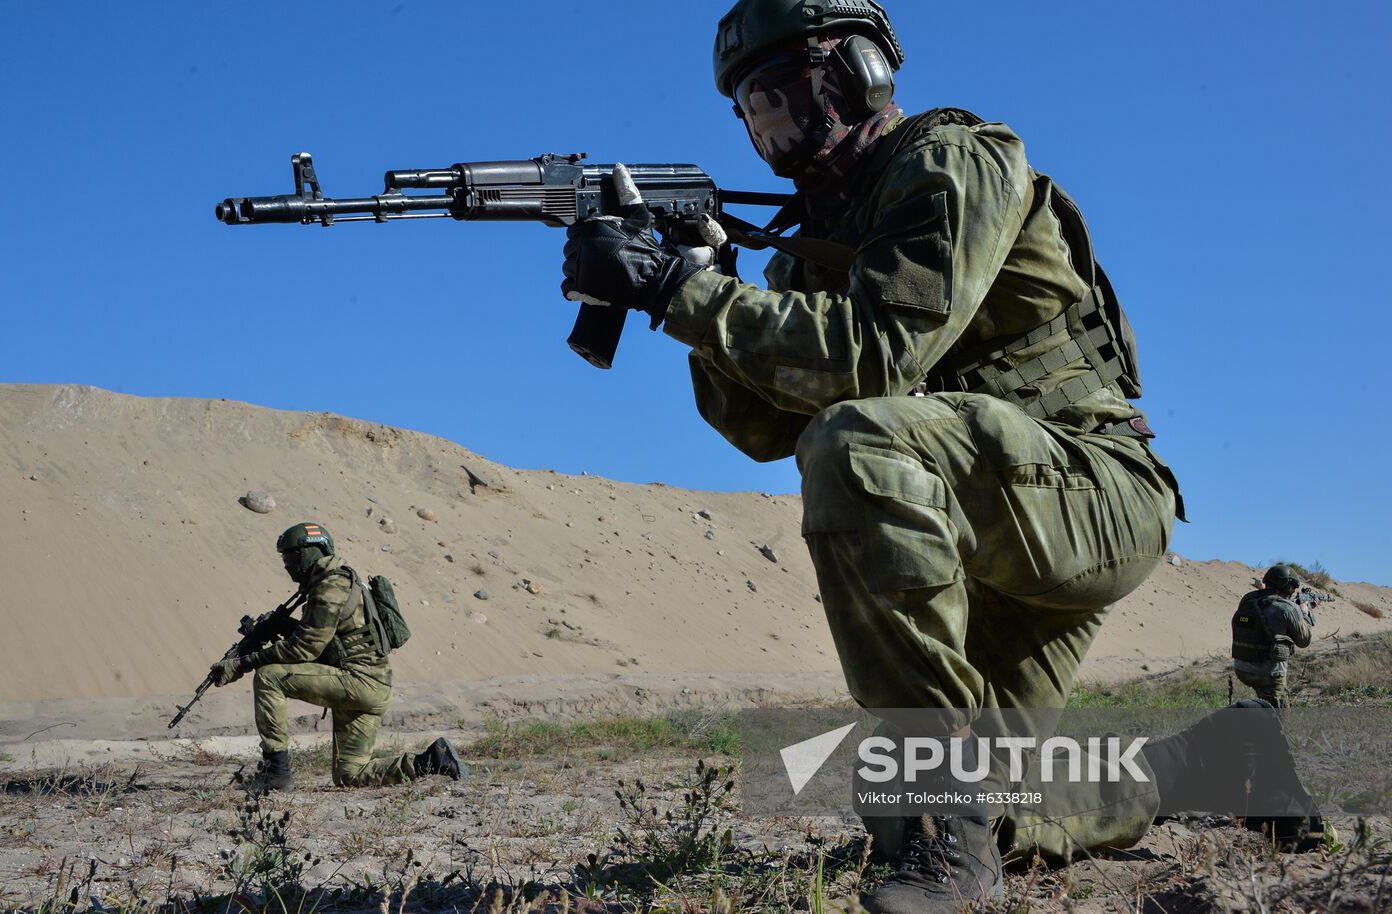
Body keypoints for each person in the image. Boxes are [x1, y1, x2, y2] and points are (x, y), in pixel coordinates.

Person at [557, 1, 1329, 908]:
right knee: (959, 799)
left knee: (855, 445)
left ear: (857, 71)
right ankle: (1222, 760)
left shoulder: (955, 161)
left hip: (1087, 491)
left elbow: (874, 357)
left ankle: (942, 839)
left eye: (782, 92)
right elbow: (765, 430)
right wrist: (700, 288)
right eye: (750, 110)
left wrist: (680, 290)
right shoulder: (813, 246)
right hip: (981, 519)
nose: (770, 125)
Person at [211, 522, 469, 792]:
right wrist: (282, 628)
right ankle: (433, 761)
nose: (286, 565)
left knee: (269, 677)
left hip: (357, 681)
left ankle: (276, 773)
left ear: (311, 552)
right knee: (350, 775)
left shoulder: (331, 585)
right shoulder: (337, 583)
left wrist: (243, 663)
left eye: (291, 556)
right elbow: (329, 640)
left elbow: (305, 649)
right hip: (372, 686)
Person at [1232, 564, 1314, 708]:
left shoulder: (1248, 599)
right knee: (1279, 720)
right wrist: (1305, 613)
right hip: (1268, 672)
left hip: (1242, 668)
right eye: (1292, 588)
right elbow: (1304, 641)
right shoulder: (1288, 608)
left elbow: (1263, 613)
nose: (1293, 591)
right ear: (1287, 586)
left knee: (1261, 709)